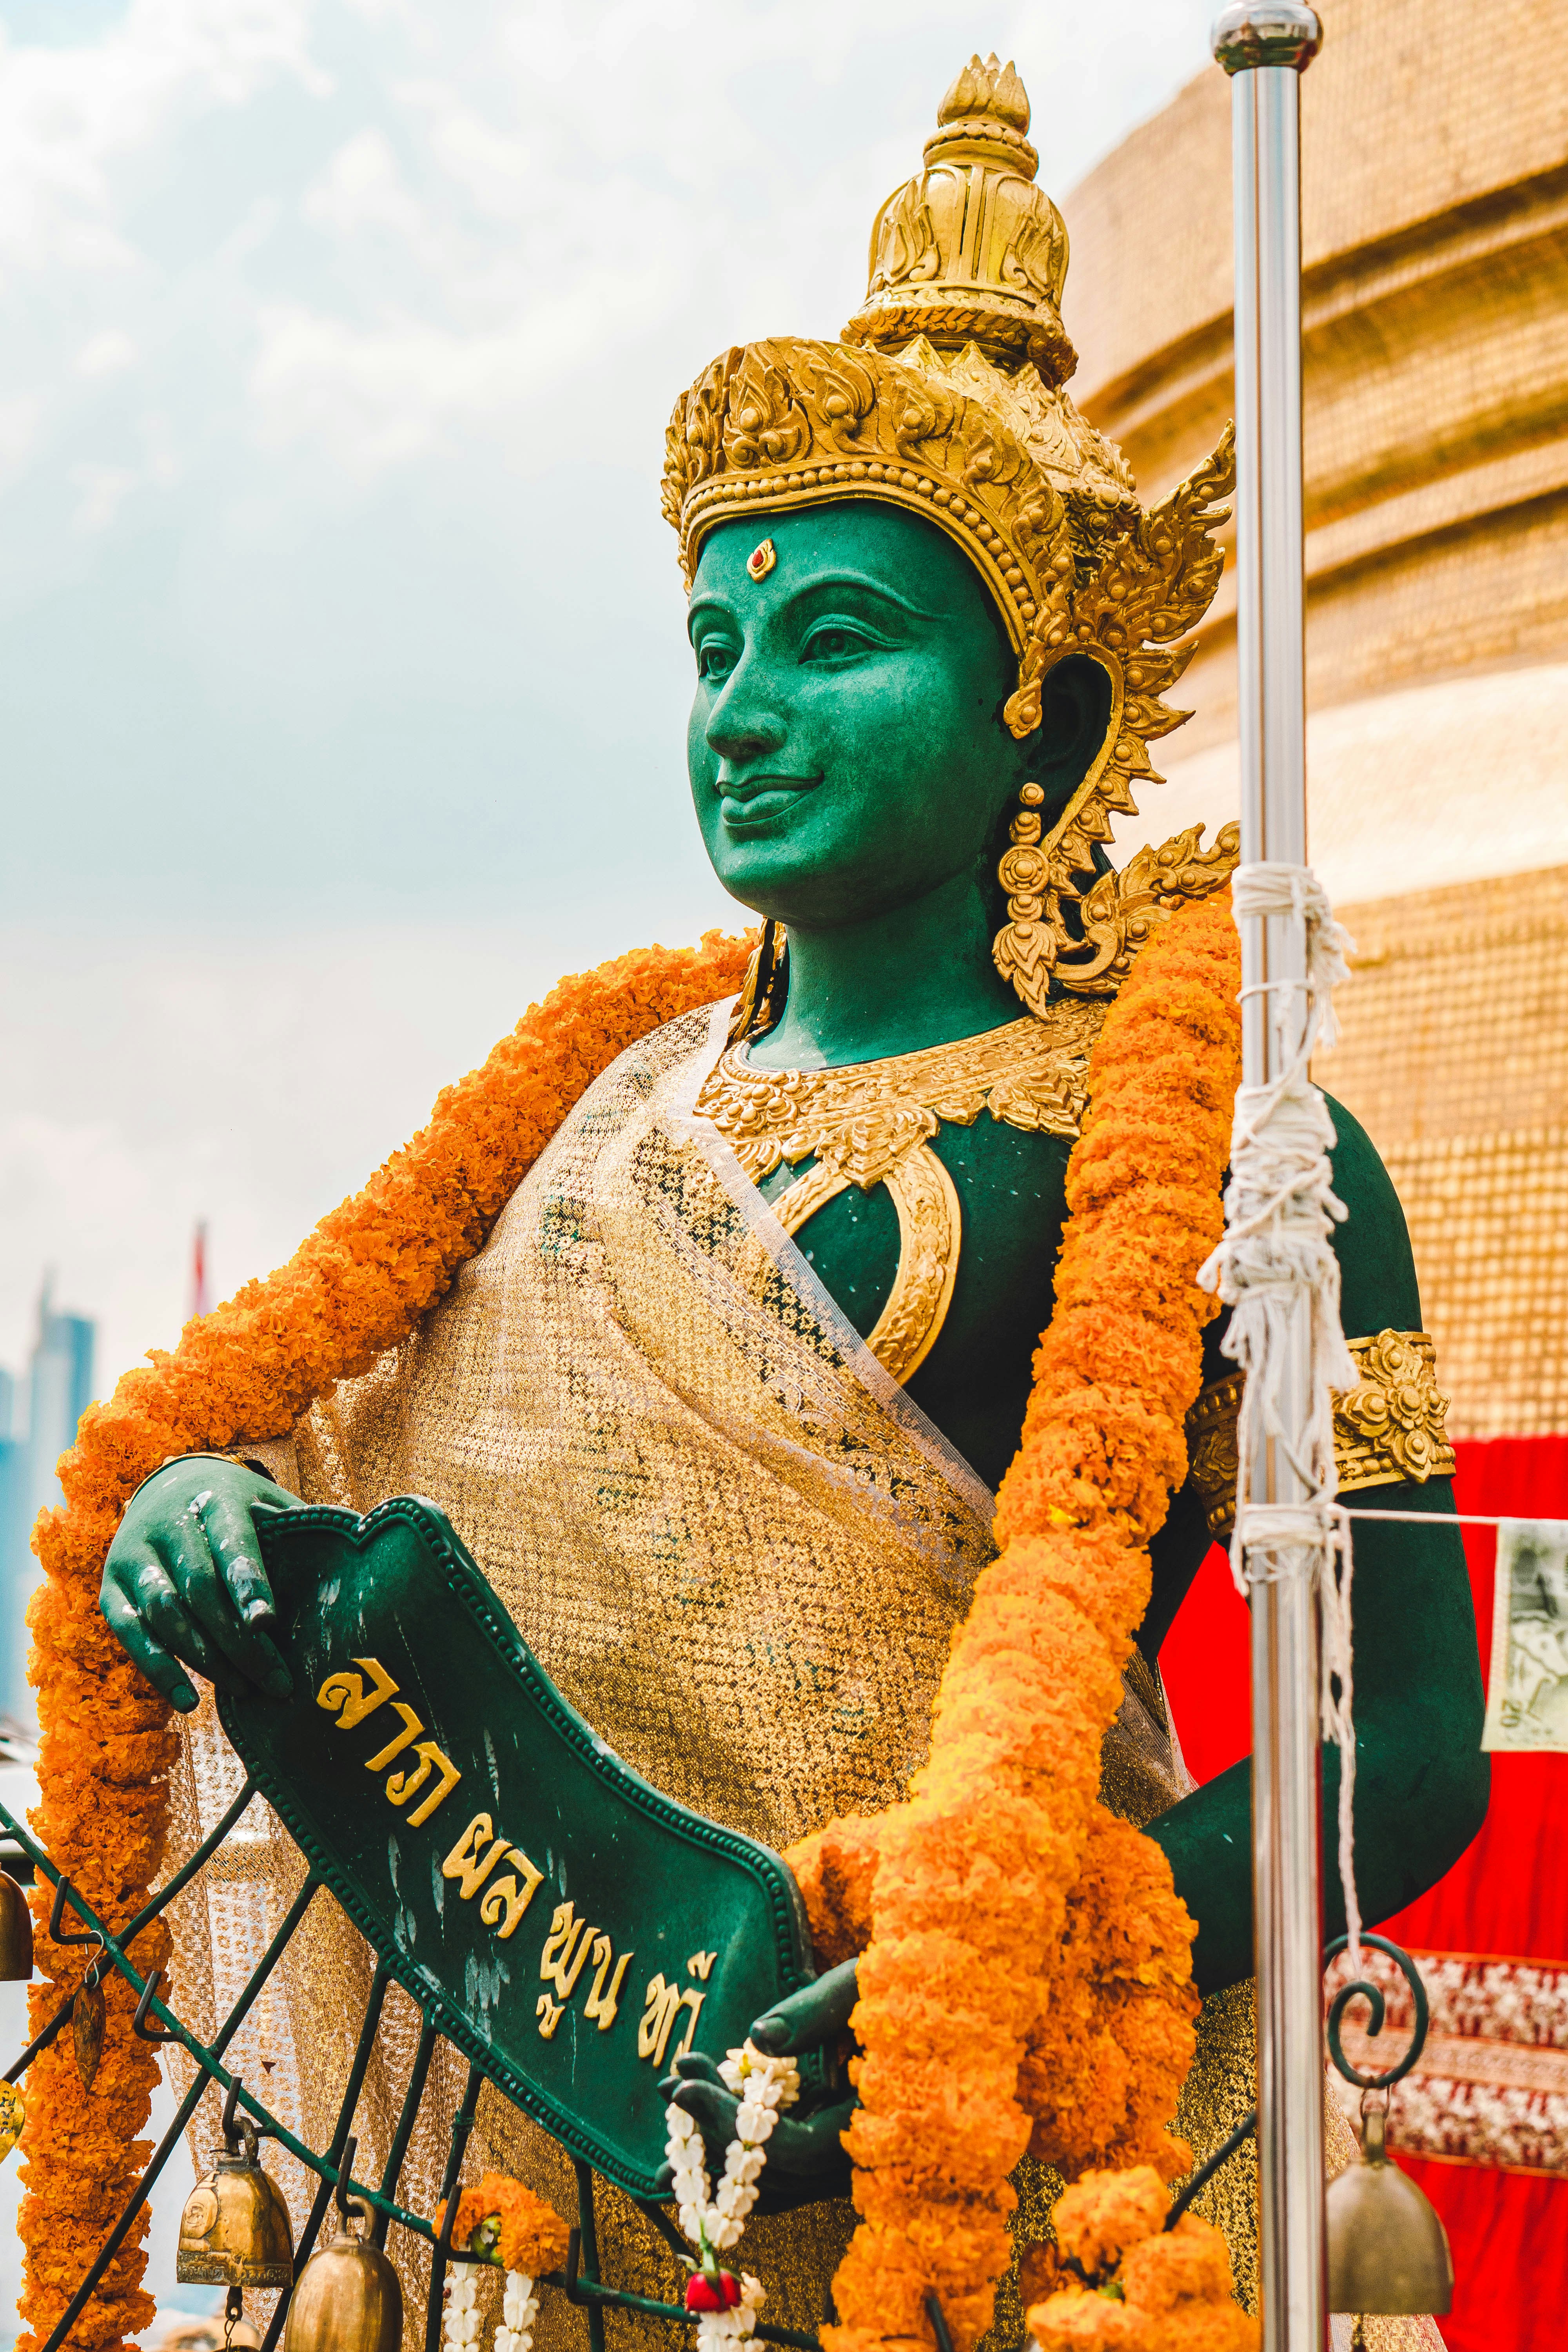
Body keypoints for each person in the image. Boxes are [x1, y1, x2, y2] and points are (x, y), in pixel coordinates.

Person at [98, 55, 1485, 2343]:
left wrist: (1007, 1952)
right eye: (713, 650)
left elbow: (1406, 1755)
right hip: (544, 2119)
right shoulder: (592, 1108)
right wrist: (206, 1512)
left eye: (833, 641)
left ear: (1043, 711)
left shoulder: (1251, 1154)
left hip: (999, 2138)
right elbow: (360, 1477)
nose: (741, 709)